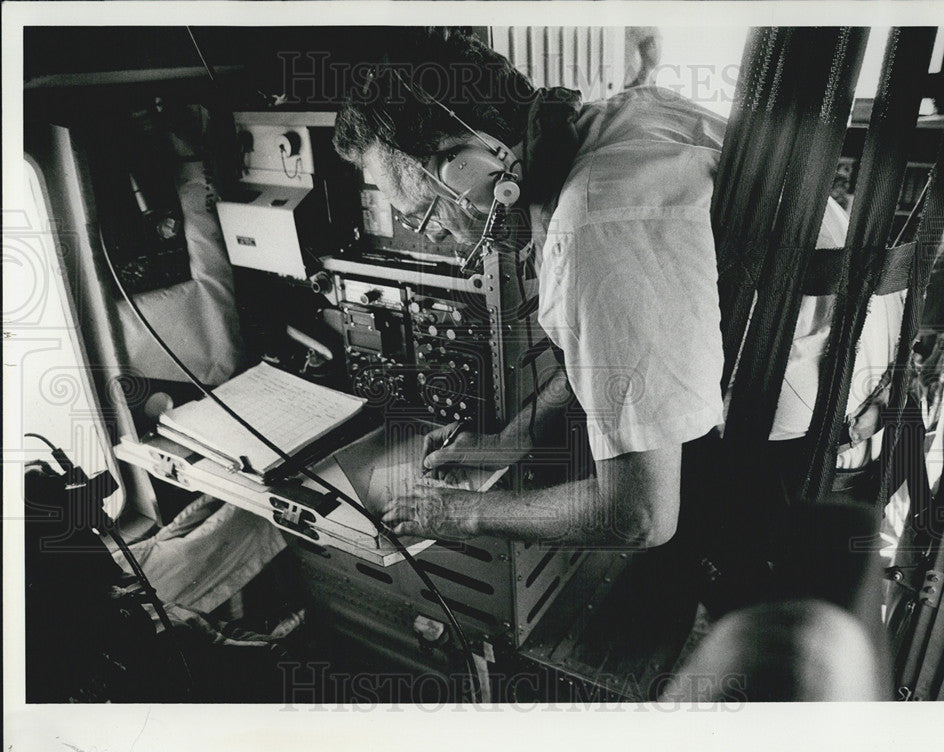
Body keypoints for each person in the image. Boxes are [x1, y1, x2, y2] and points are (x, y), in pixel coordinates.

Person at [331, 29, 897, 546]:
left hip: (809, 465)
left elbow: (641, 516)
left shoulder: (594, 230)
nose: (433, 234)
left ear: (465, 165)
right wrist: (510, 439)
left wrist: (461, 513)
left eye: (423, 211)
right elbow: (608, 356)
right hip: (864, 392)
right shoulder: (628, 115)